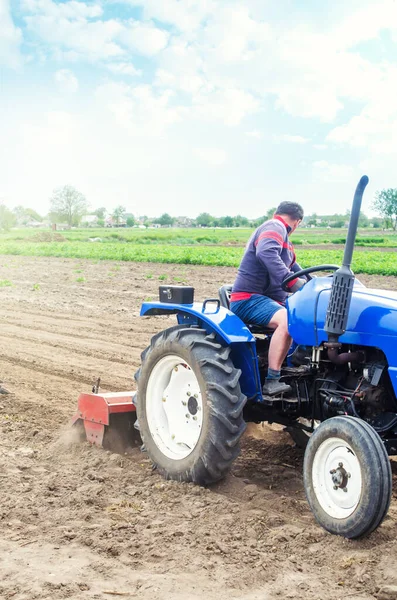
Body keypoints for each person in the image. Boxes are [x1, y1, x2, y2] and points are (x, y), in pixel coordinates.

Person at [230, 201, 305, 397]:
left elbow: (297, 271)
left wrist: (315, 284)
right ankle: (272, 380)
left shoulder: (285, 241)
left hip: (266, 301)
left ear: (277, 212)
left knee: (306, 318)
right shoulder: (275, 227)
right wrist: (292, 282)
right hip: (248, 299)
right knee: (288, 321)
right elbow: (266, 252)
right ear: (297, 222)